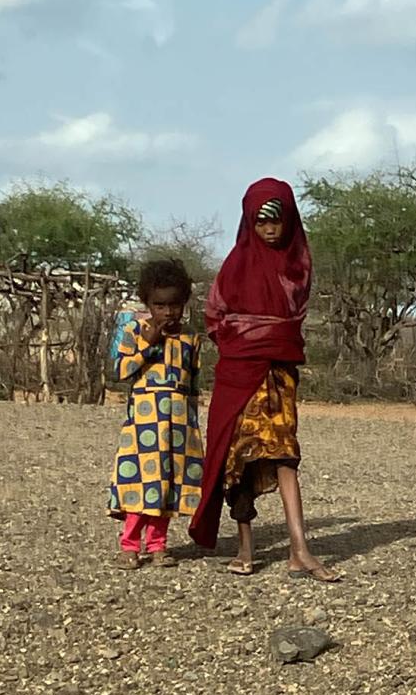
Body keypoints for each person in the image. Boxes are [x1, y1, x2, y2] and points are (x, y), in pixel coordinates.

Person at [188, 178, 341, 583]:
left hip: (279, 374)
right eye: (261, 223)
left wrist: (265, 337)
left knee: (285, 454)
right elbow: (215, 317)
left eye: (277, 222)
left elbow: (292, 318)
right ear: (249, 223)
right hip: (240, 374)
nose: (270, 231)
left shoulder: (299, 265)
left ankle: (299, 549)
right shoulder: (235, 265)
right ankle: (245, 546)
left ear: (290, 221)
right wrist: (246, 340)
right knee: (238, 457)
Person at [107, 259, 204, 570]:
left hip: (178, 423)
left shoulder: (190, 337)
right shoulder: (135, 331)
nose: (167, 312)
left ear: (184, 303)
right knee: (140, 484)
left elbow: (194, 382)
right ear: (147, 303)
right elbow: (121, 371)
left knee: (167, 485)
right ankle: (130, 545)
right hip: (144, 423)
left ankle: (159, 544)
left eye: (173, 305)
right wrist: (148, 346)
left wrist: (193, 422)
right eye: (159, 305)